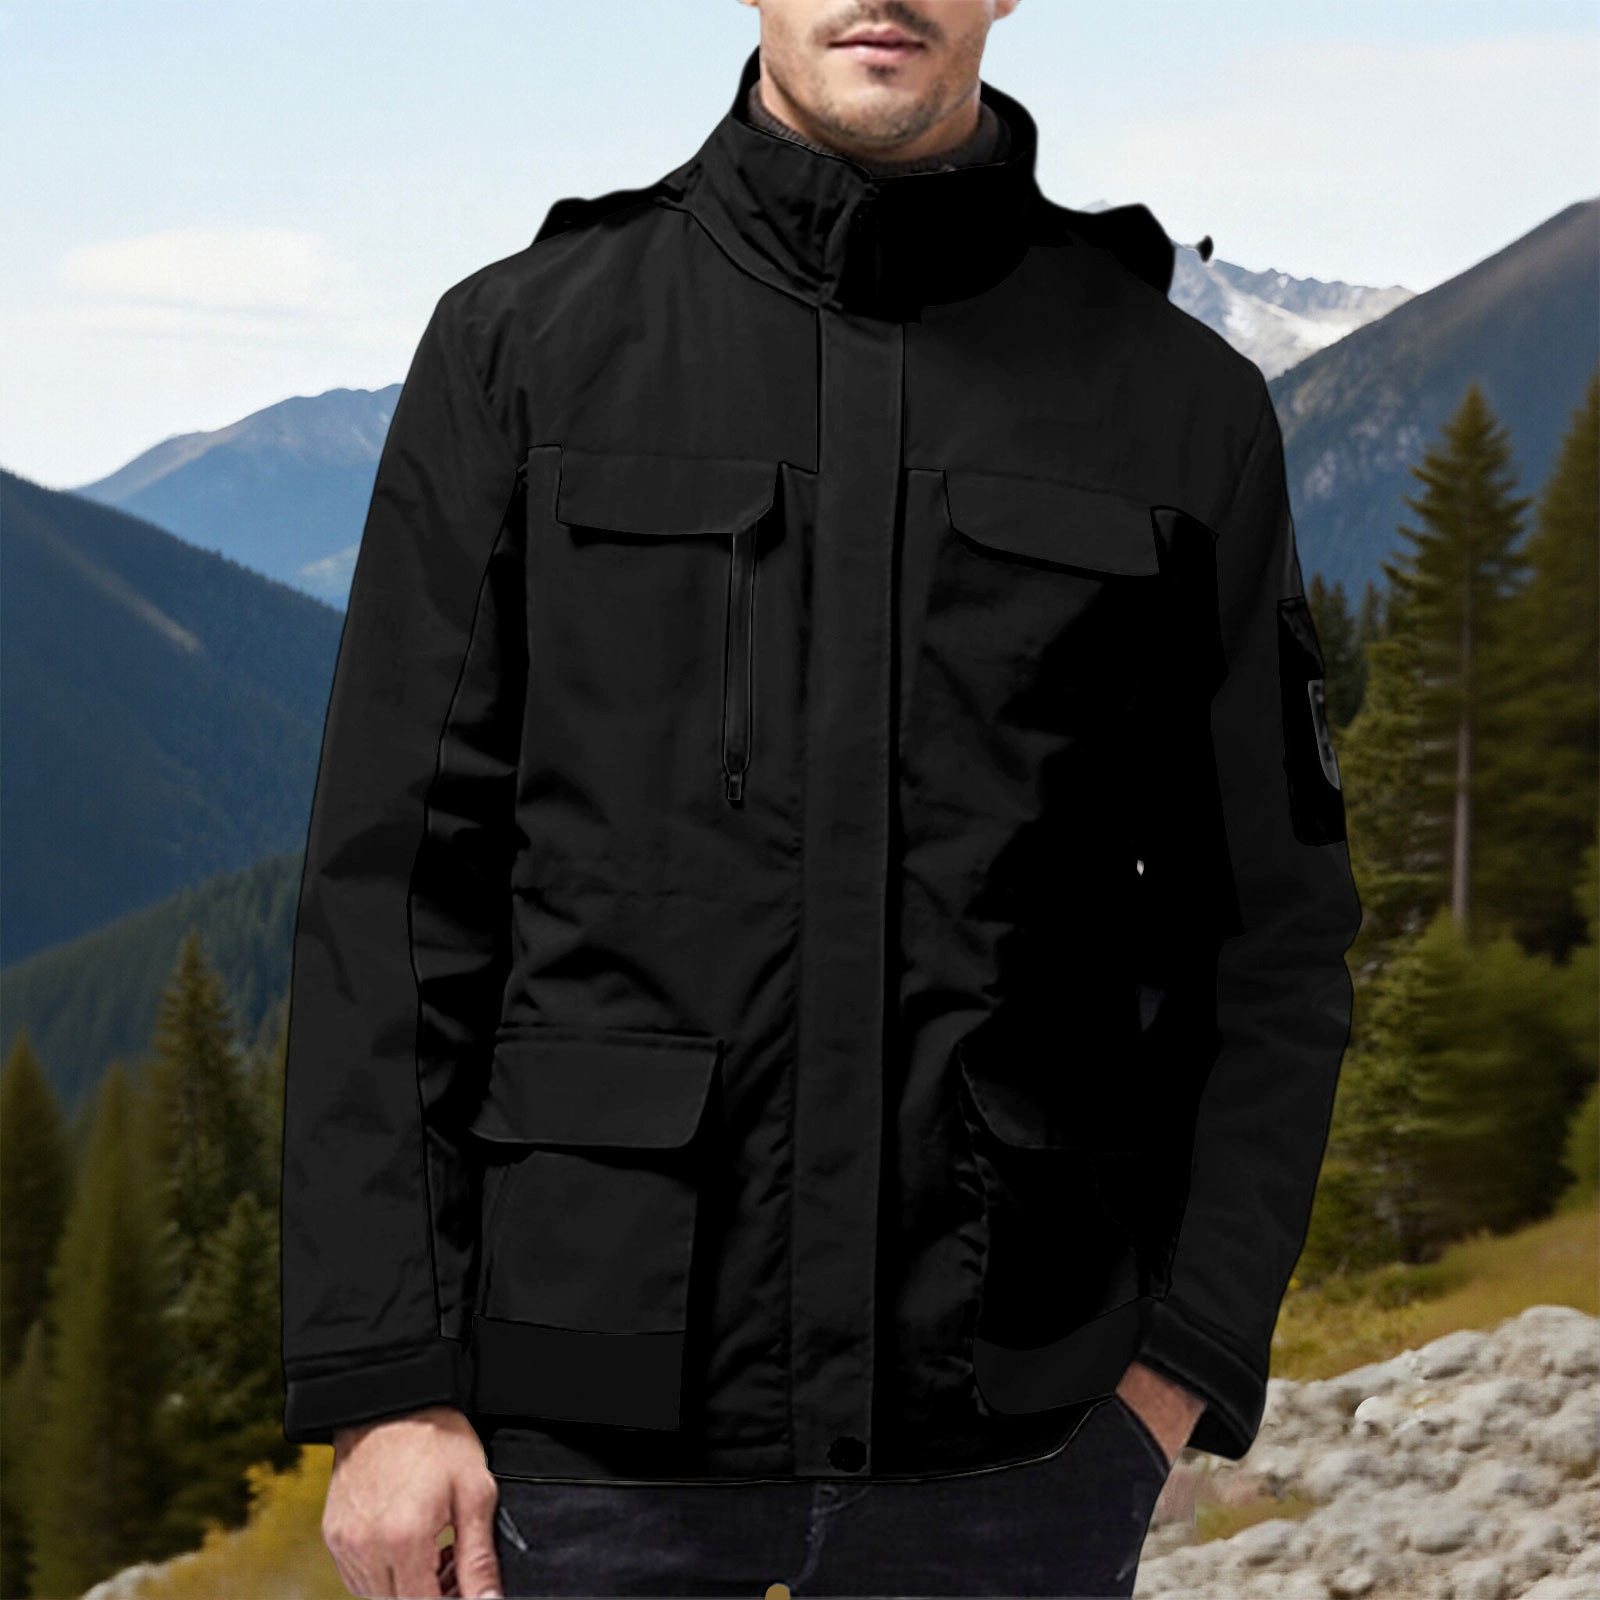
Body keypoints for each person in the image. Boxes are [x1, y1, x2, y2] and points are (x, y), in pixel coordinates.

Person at [277, 2, 1362, 1596]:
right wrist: (390, 1382)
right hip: (577, 1435)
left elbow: (1273, 933)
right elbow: (390, 895)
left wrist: (1177, 1365)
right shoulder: (523, 348)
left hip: (1020, 1448)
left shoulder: (1177, 403)